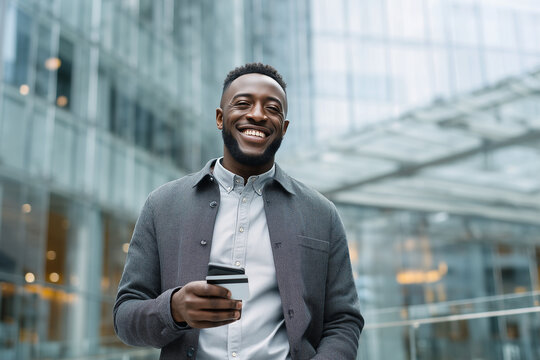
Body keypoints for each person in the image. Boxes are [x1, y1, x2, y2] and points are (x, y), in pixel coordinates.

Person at [113, 63, 364, 359]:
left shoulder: (322, 214)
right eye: (243, 104)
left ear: (283, 127)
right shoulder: (163, 205)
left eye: (272, 108)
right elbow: (125, 315)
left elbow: (344, 320)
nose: (257, 115)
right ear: (220, 118)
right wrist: (174, 309)